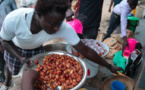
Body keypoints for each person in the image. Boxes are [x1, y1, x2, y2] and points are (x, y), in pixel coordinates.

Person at [0, 0, 122, 89]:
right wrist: (20, 57)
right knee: (11, 68)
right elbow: (4, 41)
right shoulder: (14, 19)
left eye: (59, 22)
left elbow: (86, 51)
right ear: (38, 13)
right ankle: (7, 81)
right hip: (15, 48)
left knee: (34, 76)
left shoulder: (61, 27)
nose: (56, 29)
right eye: (52, 23)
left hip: (36, 48)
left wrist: (109, 66)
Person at [0, 0, 17, 84]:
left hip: (11, 36)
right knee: (2, 59)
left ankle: (9, 77)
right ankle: (4, 78)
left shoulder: (8, 1)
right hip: (1, 37)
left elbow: (16, 14)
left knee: (9, 57)